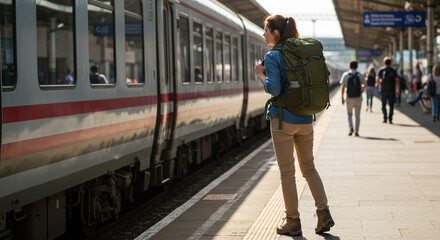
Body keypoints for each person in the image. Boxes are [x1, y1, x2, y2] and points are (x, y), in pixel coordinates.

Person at [254, 14, 334, 236]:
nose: (264, 34)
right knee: (309, 168)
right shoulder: (300, 52)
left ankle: (292, 221)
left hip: (282, 120)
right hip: (305, 118)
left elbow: (275, 89)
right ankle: (324, 213)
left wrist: (260, 75)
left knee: (287, 173)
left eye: (266, 30)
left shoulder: (273, 56)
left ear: (276, 33)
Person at [340, 60, 366, 136]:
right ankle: (357, 131)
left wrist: (342, 98)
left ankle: (351, 128)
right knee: (357, 115)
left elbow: (342, 87)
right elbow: (365, 85)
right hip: (358, 98)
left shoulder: (346, 75)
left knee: (349, 114)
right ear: (357, 67)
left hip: (349, 98)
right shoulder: (360, 75)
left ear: (349, 66)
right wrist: (360, 89)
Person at [376, 57, 399, 124]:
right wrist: (397, 90)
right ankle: (390, 119)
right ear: (391, 63)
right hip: (391, 90)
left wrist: (381, 85)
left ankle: (385, 118)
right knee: (391, 105)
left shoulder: (381, 70)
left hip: (383, 90)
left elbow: (377, 80)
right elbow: (397, 81)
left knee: (383, 105)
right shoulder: (393, 70)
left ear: (384, 63)